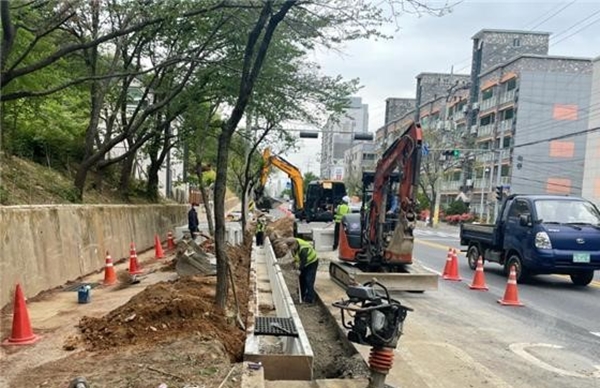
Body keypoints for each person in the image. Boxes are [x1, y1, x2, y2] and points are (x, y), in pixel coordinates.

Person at [283, 238, 319, 304]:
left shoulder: (303, 249)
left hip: (312, 263)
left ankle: (311, 299)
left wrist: (299, 270)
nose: (291, 249)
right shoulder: (294, 246)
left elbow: (303, 261)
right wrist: (294, 262)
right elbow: (297, 257)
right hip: (305, 263)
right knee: (301, 279)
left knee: (309, 280)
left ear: (294, 244)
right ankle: (301, 296)